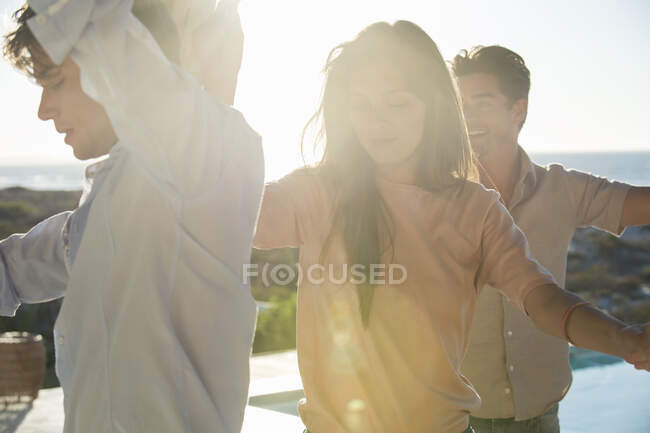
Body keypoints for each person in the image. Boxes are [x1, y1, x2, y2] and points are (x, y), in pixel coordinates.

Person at [252, 21, 650, 433]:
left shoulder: (475, 208)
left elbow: (539, 296)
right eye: (361, 105)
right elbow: (225, 214)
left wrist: (625, 339)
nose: (377, 122)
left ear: (433, 106)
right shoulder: (316, 192)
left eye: (397, 104)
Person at [0, 1, 263, 432]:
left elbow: (98, 24)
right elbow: (13, 268)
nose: (43, 110)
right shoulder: (99, 216)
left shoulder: (209, 151)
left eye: (57, 81)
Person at [450, 45, 650, 433]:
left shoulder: (561, 189)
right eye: (459, 105)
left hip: (539, 420)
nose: (466, 117)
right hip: (452, 420)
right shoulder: (431, 201)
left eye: (481, 103)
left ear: (518, 110)